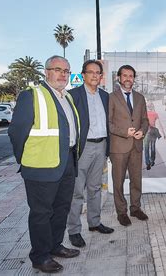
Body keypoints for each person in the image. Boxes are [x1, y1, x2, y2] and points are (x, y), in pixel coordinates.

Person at [8, 55, 80, 273]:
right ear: (46, 72)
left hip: (66, 161)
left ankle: (55, 245)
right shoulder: (32, 95)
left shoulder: (66, 97)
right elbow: (16, 132)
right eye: (58, 69)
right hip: (40, 167)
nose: (63, 74)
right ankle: (40, 256)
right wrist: (26, 159)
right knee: (41, 213)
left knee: (61, 208)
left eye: (66, 71)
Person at [66, 60, 114, 249]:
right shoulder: (73, 95)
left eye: (97, 72)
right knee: (77, 192)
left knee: (94, 188)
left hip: (101, 146)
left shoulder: (105, 96)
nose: (94, 75)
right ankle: (74, 231)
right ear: (83, 75)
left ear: (101, 76)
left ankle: (94, 223)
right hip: (82, 148)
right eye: (90, 72)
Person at [109, 65, 149, 227]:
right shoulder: (111, 97)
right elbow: (109, 124)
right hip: (119, 146)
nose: (128, 78)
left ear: (134, 79)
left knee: (136, 180)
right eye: (124, 75)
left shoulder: (140, 98)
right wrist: (125, 132)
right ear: (119, 78)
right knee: (118, 182)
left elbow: (145, 120)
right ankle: (121, 212)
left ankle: (135, 208)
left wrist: (142, 131)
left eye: (131, 76)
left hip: (137, 146)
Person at [144, 102, 166, 170]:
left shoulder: (144, 114)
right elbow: (159, 125)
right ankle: (152, 161)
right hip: (153, 132)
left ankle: (147, 163)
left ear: (147, 107)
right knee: (153, 147)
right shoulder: (155, 114)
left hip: (146, 132)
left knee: (146, 148)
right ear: (152, 107)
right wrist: (164, 134)